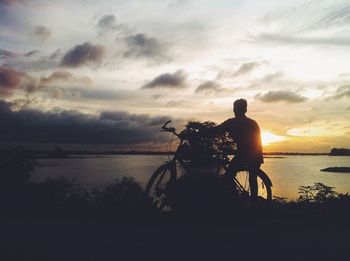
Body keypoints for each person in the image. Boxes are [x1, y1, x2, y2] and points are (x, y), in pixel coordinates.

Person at [205, 99, 263, 200]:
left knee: (227, 178)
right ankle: (254, 205)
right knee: (252, 180)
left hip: (243, 154)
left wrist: (200, 133)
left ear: (234, 109)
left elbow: (216, 129)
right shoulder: (253, 123)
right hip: (256, 154)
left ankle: (234, 198)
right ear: (245, 109)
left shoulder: (232, 122)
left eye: (235, 108)